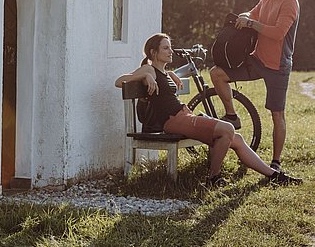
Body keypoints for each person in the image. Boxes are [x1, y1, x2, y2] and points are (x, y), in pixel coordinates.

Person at [114, 33, 301, 187]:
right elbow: (119, 81)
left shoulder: (163, 71)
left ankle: (274, 175)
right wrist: (146, 74)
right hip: (173, 121)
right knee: (227, 129)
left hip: (183, 116)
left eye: (170, 47)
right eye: (165, 48)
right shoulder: (149, 69)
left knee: (237, 139)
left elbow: (164, 82)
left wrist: (169, 74)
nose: (171, 51)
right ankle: (213, 177)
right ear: (153, 52)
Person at [210, 0, 299, 173]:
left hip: (278, 66)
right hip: (256, 60)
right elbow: (253, 13)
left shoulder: (289, 2)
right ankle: (232, 115)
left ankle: (275, 162)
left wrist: (251, 24)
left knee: (277, 115)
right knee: (217, 74)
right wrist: (245, 16)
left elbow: (278, 33)